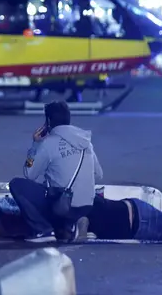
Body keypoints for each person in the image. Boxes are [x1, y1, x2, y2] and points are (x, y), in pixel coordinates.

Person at [9, 100, 103, 243]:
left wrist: (35, 145)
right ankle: (70, 226)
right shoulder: (86, 143)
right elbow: (99, 174)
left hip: (62, 206)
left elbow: (29, 173)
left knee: (17, 185)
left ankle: (42, 230)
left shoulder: (48, 143)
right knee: (59, 191)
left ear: (48, 121)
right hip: (86, 206)